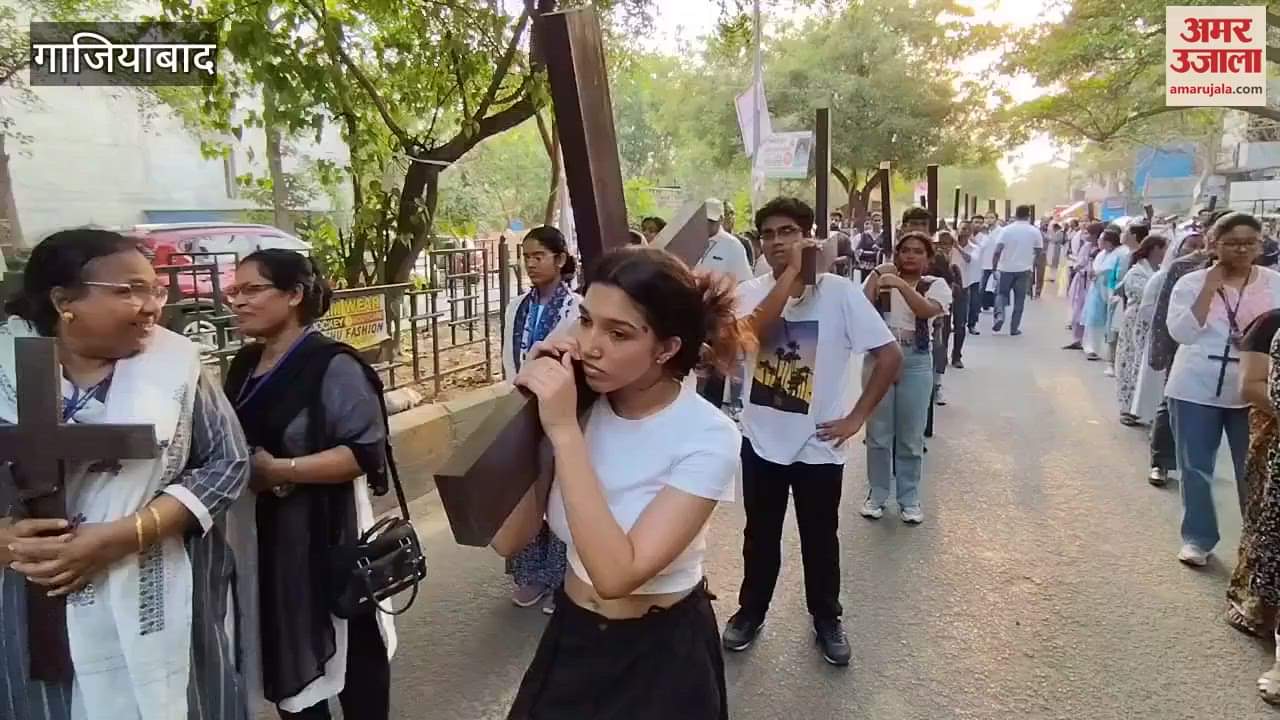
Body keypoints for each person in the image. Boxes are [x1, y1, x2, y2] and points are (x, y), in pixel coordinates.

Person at [1, 229, 253, 720]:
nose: (151, 306)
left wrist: (126, 534)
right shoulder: (5, 371)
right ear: (63, 299)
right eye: (128, 291)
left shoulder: (174, 365)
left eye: (155, 290)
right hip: (32, 596)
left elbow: (228, 464)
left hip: (159, 586)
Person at [493, 246, 744, 719]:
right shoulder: (580, 406)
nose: (590, 345)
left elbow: (615, 575)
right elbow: (508, 539)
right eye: (586, 321)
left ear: (666, 349)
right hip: (573, 638)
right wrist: (528, 414)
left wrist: (564, 433)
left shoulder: (708, 436)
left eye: (618, 333)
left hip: (661, 657)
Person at [720, 197, 901, 667]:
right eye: (768, 235)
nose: (777, 242)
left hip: (818, 447)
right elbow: (752, 335)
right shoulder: (749, 292)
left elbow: (890, 357)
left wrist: (856, 417)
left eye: (788, 232)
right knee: (760, 535)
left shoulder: (841, 294)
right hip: (760, 441)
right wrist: (791, 277)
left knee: (821, 539)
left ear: (808, 236)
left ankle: (827, 619)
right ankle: (750, 612)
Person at [224, 250, 395, 720]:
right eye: (234, 291)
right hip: (264, 537)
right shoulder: (244, 366)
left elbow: (364, 452)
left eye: (252, 290)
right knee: (284, 644)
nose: (237, 301)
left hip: (326, 535)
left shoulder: (333, 365)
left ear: (294, 294)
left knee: (347, 641)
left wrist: (281, 471)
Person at [1166, 212, 1280, 567]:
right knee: (1196, 468)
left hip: (1254, 388)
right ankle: (1198, 538)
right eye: (1232, 243)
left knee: (1255, 469)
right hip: (1195, 386)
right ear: (1213, 244)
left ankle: (1256, 542)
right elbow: (1181, 334)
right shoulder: (1191, 283)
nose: (1242, 249)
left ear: (1261, 245)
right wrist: (1207, 289)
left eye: (1250, 242)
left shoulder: (1274, 283)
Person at [500, 226, 581, 610]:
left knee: (561, 495)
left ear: (560, 259)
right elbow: (507, 357)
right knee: (526, 493)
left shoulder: (577, 309)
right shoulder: (518, 306)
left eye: (539, 256)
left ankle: (560, 579)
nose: (531, 264)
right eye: (527, 257)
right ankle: (531, 575)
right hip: (522, 410)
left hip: (560, 412)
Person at [860, 232, 951, 524]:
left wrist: (900, 284)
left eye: (917, 252)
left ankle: (909, 498)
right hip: (880, 356)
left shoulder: (935, 285)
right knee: (878, 433)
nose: (910, 256)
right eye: (905, 251)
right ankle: (877, 494)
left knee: (911, 436)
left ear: (928, 258)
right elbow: (860, 305)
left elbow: (926, 310)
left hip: (915, 359)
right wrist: (877, 273)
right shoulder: (882, 279)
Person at [1227, 308, 1280, 639]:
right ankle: (1256, 601)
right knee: (1265, 524)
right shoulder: (1270, 323)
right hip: (1271, 439)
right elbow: (1250, 386)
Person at [1114, 234, 1168, 425]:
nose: (1166, 253)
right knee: (1131, 360)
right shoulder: (1136, 272)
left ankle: (1145, 407)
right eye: (1164, 248)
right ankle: (1128, 408)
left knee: (1146, 363)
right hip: (1135, 321)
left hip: (1154, 323)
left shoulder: (1160, 271)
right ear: (1155, 249)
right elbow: (1145, 294)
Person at [991, 205, 1043, 335]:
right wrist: (1033, 264)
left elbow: (997, 251)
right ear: (1028, 215)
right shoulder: (1034, 231)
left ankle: (1000, 316)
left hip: (1005, 268)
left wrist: (994, 267)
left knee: (1001, 294)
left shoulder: (1006, 230)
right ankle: (1014, 328)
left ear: (1016, 214)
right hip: (1024, 269)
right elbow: (1039, 252)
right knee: (1020, 299)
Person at [1082, 227, 1123, 361]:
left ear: (1109, 242)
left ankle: (1101, 349)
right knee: (1094, 318)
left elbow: (1109, 271)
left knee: (1105, 320)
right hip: (1097, 290)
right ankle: (1091, 348)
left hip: (1108, 289)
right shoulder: (1101, 254)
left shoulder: (1118, 254)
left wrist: (1099, 273)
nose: (1099, 242)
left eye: (1101, 240)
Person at [1063, 223, 1101, 351]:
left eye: (1088, 233)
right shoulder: (1087, 246)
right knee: (1078, 308)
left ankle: (1087, 341)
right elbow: (1080, 263)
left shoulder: (1100, 250)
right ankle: (1078, 338)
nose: (1085, 235)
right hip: (1082, 280)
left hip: (1091, 282)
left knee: (1087, 310)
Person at [697, 198, 753, 284]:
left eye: (711, 221)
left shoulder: (733, 245)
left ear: (721, 219)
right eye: (704, 219)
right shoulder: (691, 240)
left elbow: (744, 281)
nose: (706, 224)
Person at [951, 223, 977, 367]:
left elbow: (969, 259)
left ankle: (956, 356)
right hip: (948, 287)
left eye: (967, 229)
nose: (964, 231)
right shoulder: (949, 246)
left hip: (963, 289)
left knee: (960, 324)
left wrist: (958, 248)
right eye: (962, 228)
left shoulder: (974, 249)